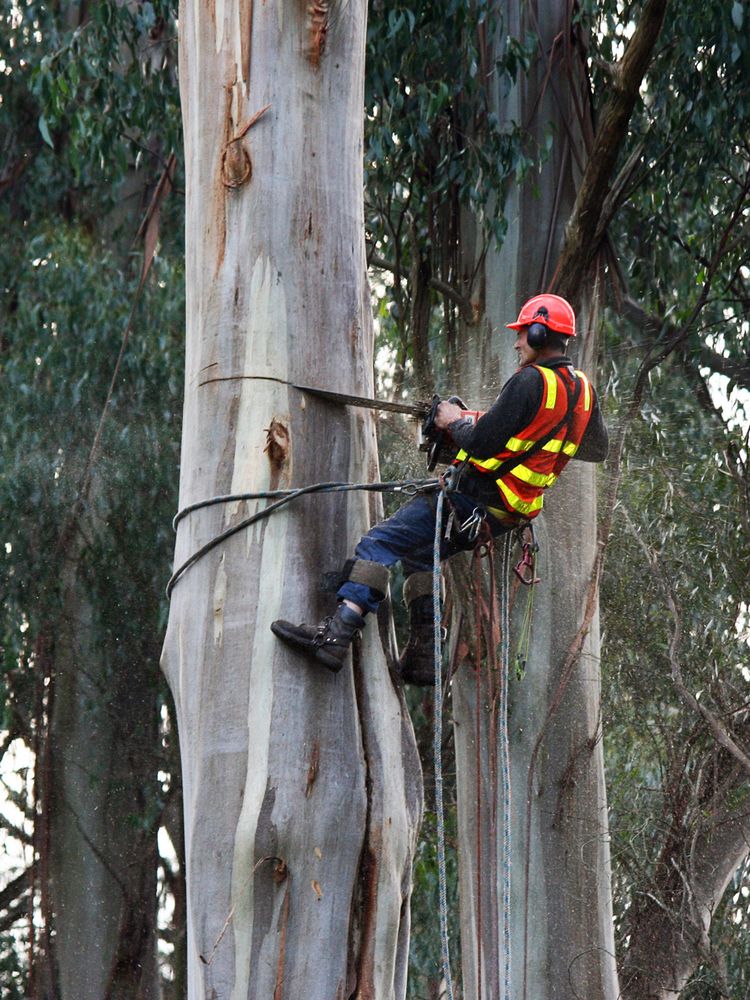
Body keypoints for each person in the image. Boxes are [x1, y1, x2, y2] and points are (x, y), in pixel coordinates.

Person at [271, 293, 608, 684]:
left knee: (379, 543)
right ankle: (425, 656)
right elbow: (594, 448)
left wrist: (453, 421)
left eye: (522, 335)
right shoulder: (583, 391)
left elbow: (480, 443)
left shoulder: (530, 381)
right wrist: (513, 427)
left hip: (471, 501)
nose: (517, 343)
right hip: (504, 515)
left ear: (538, 332)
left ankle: (335, 635)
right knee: (420, 556)